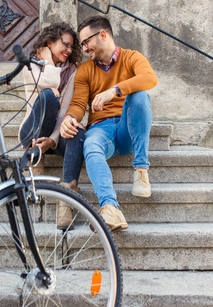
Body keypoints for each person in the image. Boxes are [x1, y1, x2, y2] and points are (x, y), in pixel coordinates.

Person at [60, 16, 158, 231]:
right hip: (101, 129)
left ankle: (141, 170)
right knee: (91, 145)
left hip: (128, 128)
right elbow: (78, 104)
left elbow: (150, 78)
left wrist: (114, 91)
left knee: (140, 96)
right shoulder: (85, 70)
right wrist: (69, 118)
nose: (84, 48)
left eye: (86, 42)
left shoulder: (132, 57)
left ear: (102, 35)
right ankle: (110, 208)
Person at [18, 22, 85, 229]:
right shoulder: (30, 65)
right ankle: (36, 159)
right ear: (49, 42)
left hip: (54, 137)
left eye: (72, 46)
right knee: (48, 96)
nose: (69, 50)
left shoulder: (72, 71)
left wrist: (53, 140)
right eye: (65, 44)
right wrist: (47, 61)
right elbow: (49, 87)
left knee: (77, 128)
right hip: (31, 131)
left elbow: (65, 110)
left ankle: (66, 201)